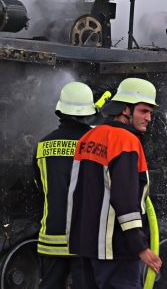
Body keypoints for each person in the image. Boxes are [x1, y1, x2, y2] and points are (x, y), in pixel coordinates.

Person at [68, 78, 163, 288]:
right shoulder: (126, 141)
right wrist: (140, 247)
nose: (148, 118)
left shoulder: (88, 137)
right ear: (125, 109)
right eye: (143, 111)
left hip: (87, 246)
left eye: (150, 112)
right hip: (116, 249)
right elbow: (125, 199)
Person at [35, 82, 98, 289]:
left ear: (60, 111)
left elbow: (40, 186)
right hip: (85, 238)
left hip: (51, 237)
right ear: (89, 112)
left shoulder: (42, 145)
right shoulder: (96, 145)